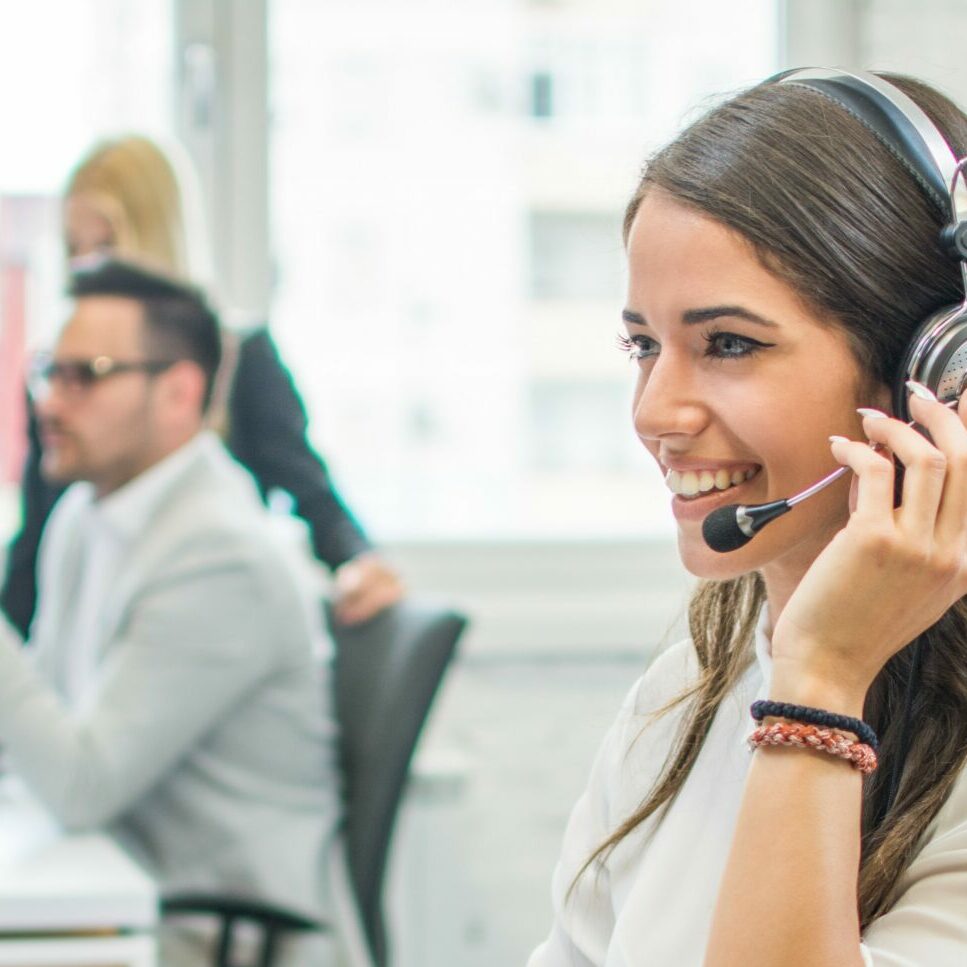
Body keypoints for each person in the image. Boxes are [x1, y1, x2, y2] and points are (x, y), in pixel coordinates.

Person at [529, 69, 967, 966]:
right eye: (642, 345)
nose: (654, 411)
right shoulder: (696, 676)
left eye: (728, 344)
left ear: (936, 375)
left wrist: (822, 684)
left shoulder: (824, 687)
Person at [0, 259, 340, 966]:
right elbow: (44, 725)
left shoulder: (219, 555)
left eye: (84, 374)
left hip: (216, 930)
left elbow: (80, 785)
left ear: (180, 391)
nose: (50, 403)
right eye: (47, 372)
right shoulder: (84, 517)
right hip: (121, 894)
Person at [0, 134, 403, 640]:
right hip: (90, 636)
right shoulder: (57, 392)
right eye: (73, 249)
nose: (88, 271)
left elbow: (312, 494)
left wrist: (358, 562)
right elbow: (32, 549)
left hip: (200, 630)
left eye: (105, 247)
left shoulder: (243, 362)